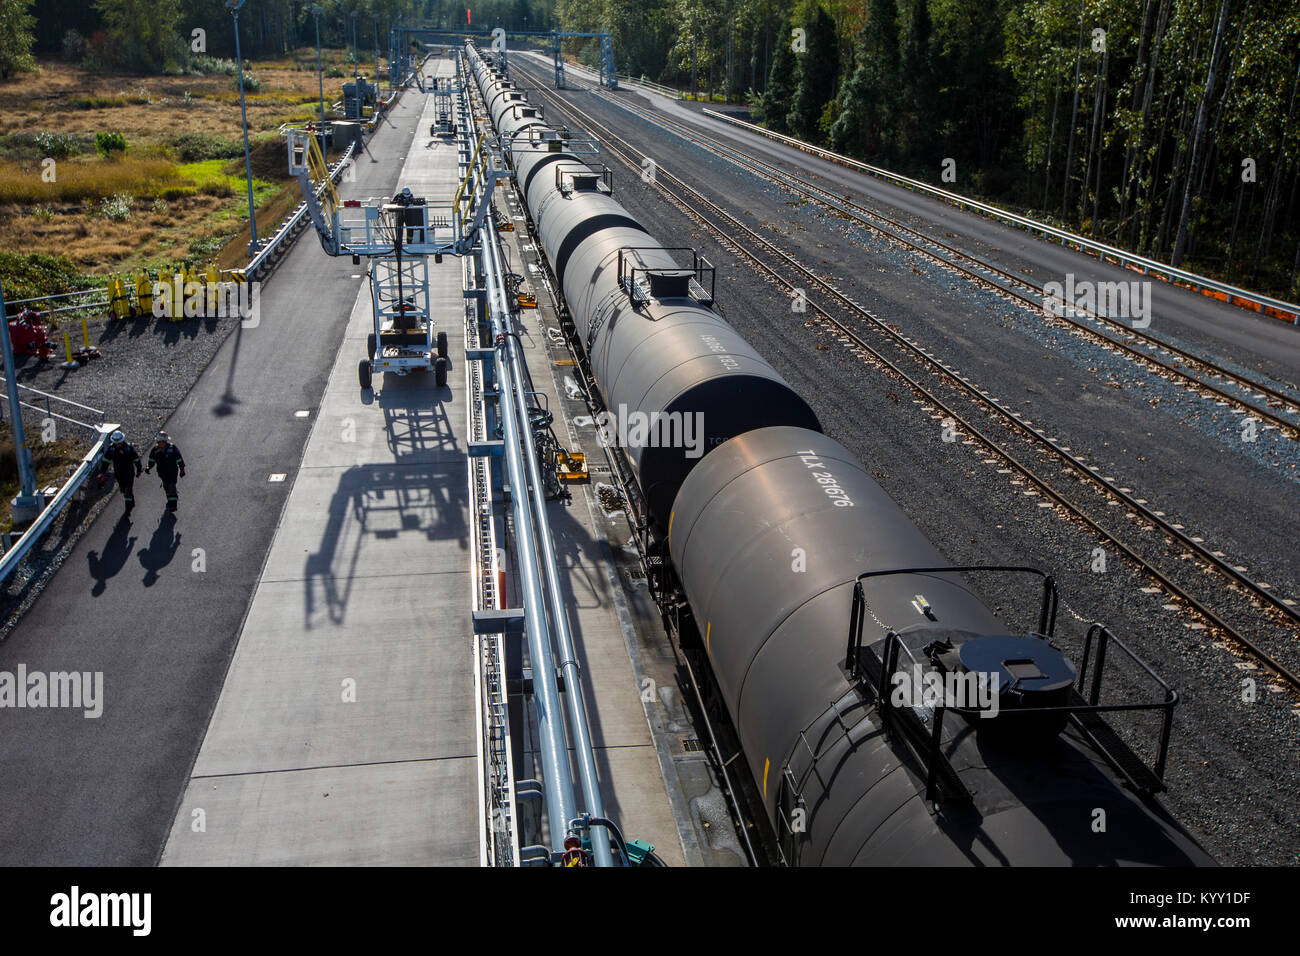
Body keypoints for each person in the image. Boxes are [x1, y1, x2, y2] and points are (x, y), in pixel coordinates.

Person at [97, 431, 142, 517]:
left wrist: (139, 470)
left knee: (128, 490)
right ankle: (131, 502)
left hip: (129, 472)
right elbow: (106, 461)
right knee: (124, 490)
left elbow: (136, 459)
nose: (117, 444)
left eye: (119, 442)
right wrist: (102, 473)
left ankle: (128, 510)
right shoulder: (111, 449)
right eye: (115, 443)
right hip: (118, 473)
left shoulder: (129, 448)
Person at [144, 431, 186, 514]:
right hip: (162, 473)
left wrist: (182, 470)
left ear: (166, 441)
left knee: (171, 486)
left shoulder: (172, 448)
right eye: (159, 442)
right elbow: (151, 461)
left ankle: (173, 505)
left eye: (163, 442)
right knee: (166, 487)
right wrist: (148, 467)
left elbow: (179, 459)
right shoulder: (155, 450)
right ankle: (170, 500)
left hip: (172, 471)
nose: (161, 443)